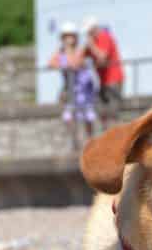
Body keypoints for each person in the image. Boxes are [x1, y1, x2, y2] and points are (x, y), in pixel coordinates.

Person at [48, 22, 98, 150]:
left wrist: (66, 59)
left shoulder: (80, 50)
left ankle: (91, 143)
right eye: (66, 37)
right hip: (71, 91)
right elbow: (51, 63)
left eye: (71, 36)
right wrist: (61, 53)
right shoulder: (61, 52)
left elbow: (75, 63)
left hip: (84, 91)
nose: (69, 39)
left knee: (88, 117)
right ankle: (75, 142)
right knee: (69, 117)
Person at [82, 17, 124, 126]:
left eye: (89, 32)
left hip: (113, 79)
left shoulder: (104, 37)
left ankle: (116, 136)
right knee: (102, 111)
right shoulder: (93, 43)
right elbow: (81, 57)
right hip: (103, 81)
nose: (88, 35)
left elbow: (102, 57)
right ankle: (107, 134)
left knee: (113, 112)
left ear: (94, 29)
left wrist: (91, 45)